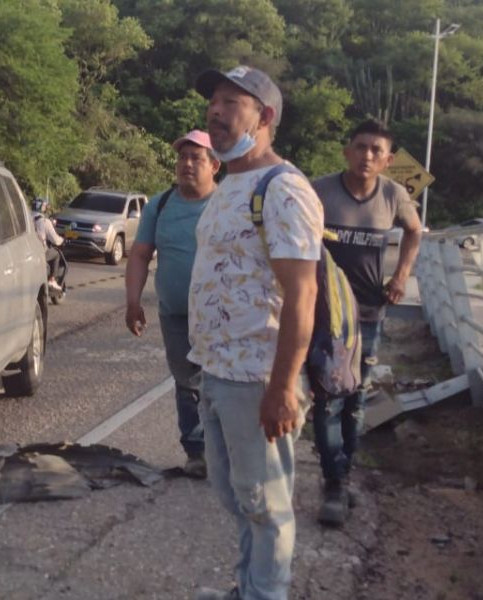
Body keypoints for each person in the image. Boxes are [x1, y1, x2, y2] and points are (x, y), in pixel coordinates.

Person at [188, 66, 324, 600]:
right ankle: (248, 589)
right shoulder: (227, 186)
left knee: (266, 505)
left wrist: (282, 388)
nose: (215, 113)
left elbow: (302, 295)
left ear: (264, 117)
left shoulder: (283, 189)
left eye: (230, 103)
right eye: (212, 104)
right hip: (219, 374)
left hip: (258, 379)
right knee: (238, 497)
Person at [310, 119, 423, 527]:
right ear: (347, 150)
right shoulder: (319, 191)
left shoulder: (393, 195)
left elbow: (414, 232)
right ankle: (334, 482)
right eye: (360, 147)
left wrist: (401, 276)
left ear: (389, 160)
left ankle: (343, 473)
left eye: (377, 151)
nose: (367, 156)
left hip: (370, 315)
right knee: (327, 398)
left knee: (356, 401)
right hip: (325, 315)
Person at [125, 129, 220, 479]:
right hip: (176, 313)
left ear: (215, 165)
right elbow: (139, 255)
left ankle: (224, 449)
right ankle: (196, 452)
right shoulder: (159, 205)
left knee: (223, 381)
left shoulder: (227, 205)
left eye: (196, 158)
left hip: (221, 315)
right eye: (182, 157)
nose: (187, 164)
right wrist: (133, 301)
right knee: (186, 382)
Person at [31, 197, 65, 292]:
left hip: (27, 251)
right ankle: (52, 280)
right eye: (45, 206)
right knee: (56, 254)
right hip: (40, 252)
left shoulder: (25, 217)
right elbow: (55, 240)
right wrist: (63, 240)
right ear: (42, 208)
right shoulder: (45, 221)